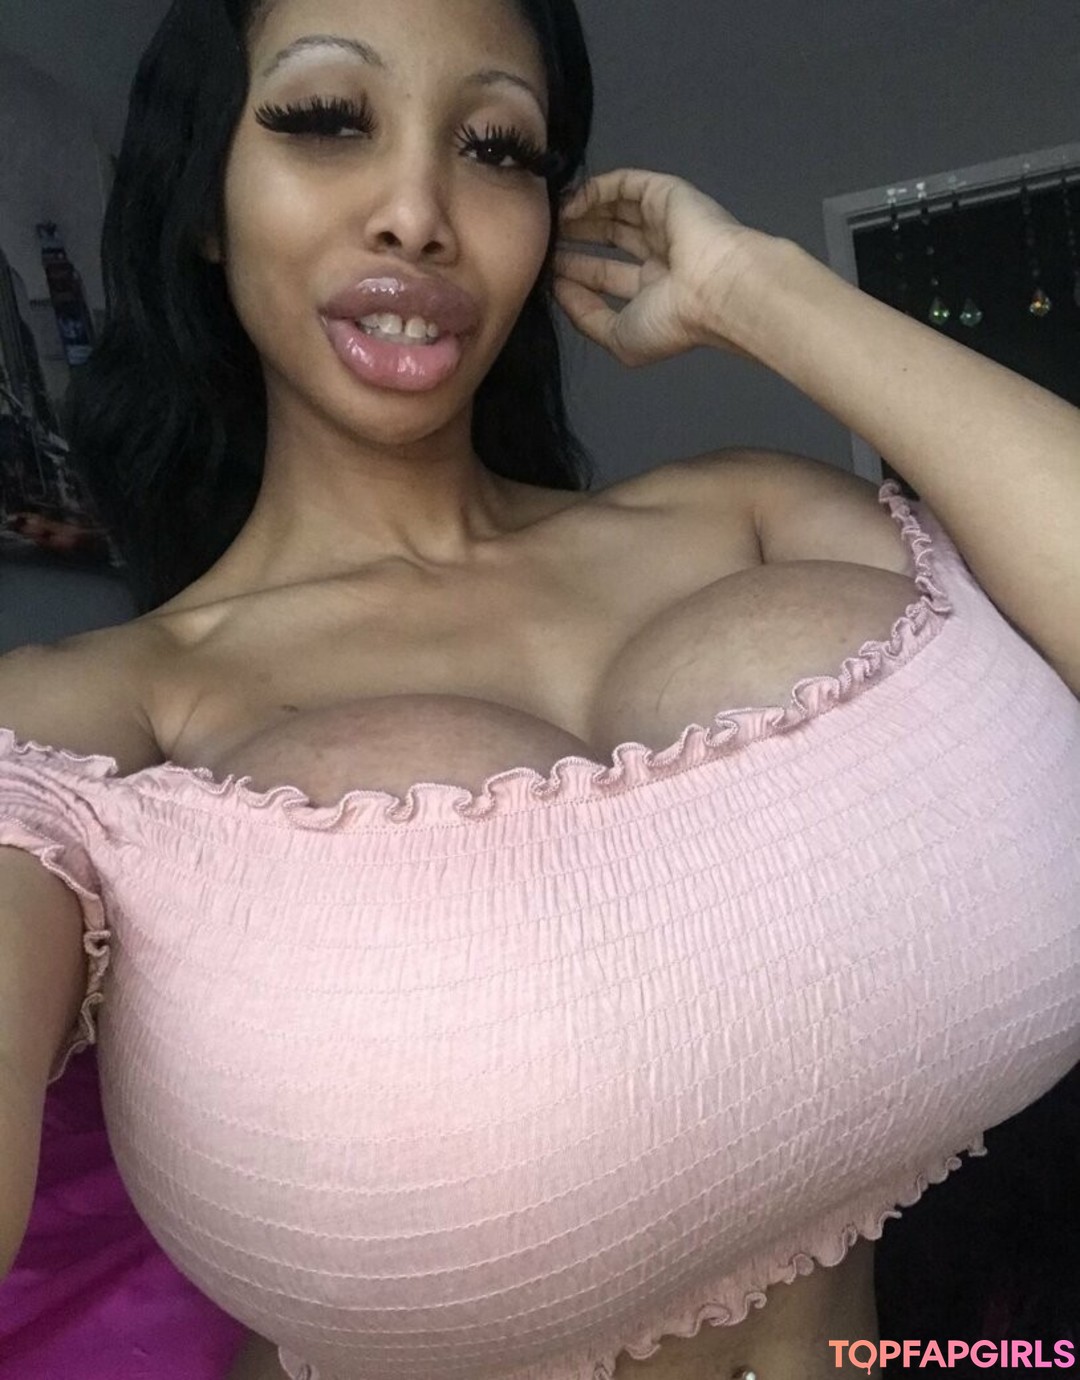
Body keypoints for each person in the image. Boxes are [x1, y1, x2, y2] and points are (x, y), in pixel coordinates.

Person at [0, 1, 1078, 1378]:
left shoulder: (753, 511)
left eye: (496, 146)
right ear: (206, 198)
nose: (418, 213)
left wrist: (766, 292)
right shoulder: (92, 721)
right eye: (327, 121)